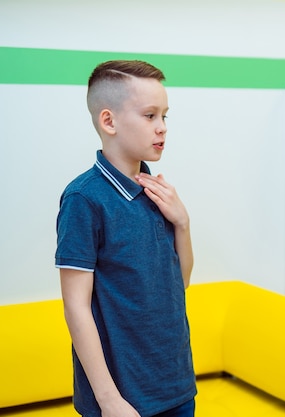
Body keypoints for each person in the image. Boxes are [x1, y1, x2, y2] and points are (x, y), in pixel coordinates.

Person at [55, 60, 197, 417]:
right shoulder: (84, 199)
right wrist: (109, 401)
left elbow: (179, 285)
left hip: (177, 385)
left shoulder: (157, 191)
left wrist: (183, 223)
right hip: (121, 399)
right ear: (109, 121)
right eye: (150, 116)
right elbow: (76, 307)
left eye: (165, 116)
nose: (162, 128)